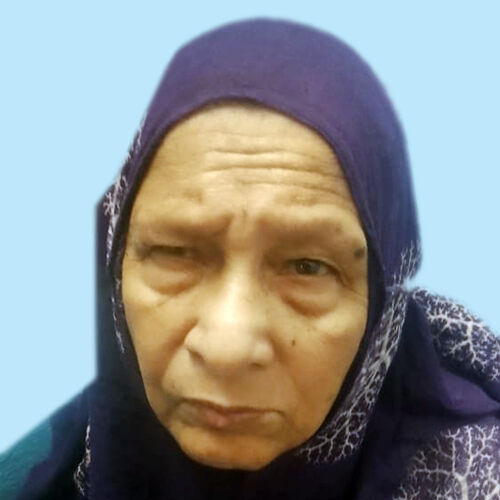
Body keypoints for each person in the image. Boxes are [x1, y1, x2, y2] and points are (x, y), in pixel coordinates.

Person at [1, 18, 499, 500]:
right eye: (176, 252)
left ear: (382, 308)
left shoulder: (473, 476)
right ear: (115, 266)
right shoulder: (45, 466)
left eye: (308, 267)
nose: (228, 348)